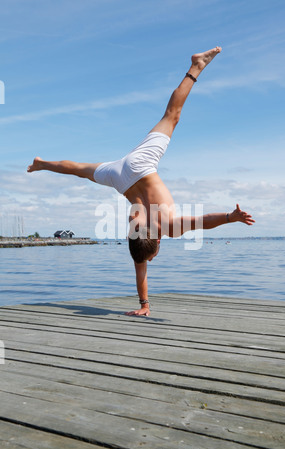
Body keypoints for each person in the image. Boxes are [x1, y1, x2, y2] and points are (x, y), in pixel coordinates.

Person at [27, 47, 255, 317]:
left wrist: (232, 217)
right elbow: (141, 266)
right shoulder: (136, 232)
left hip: (141, 167)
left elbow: (203, 221)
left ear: (158, 244)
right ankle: (41, 164)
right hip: (120, 178)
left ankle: (197, 66)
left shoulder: (167, 227)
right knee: (80, 170)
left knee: (172, 116)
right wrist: (143, 304)